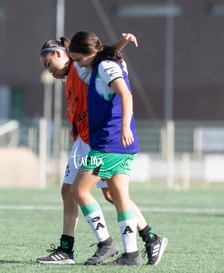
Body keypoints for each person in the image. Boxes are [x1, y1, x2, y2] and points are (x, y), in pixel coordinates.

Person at [37, 33, 167, 265]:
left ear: (61, 54)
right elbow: (103, 53)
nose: (49, 70)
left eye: (49, 63)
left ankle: (126, 241)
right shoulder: (77, 71)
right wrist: (122, 42)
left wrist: (123, 125)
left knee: (87, 192)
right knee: (76, 191)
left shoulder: (81, 68)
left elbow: (103, 59)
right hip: (87, 140)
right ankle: (76, 248)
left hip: (98, 141)